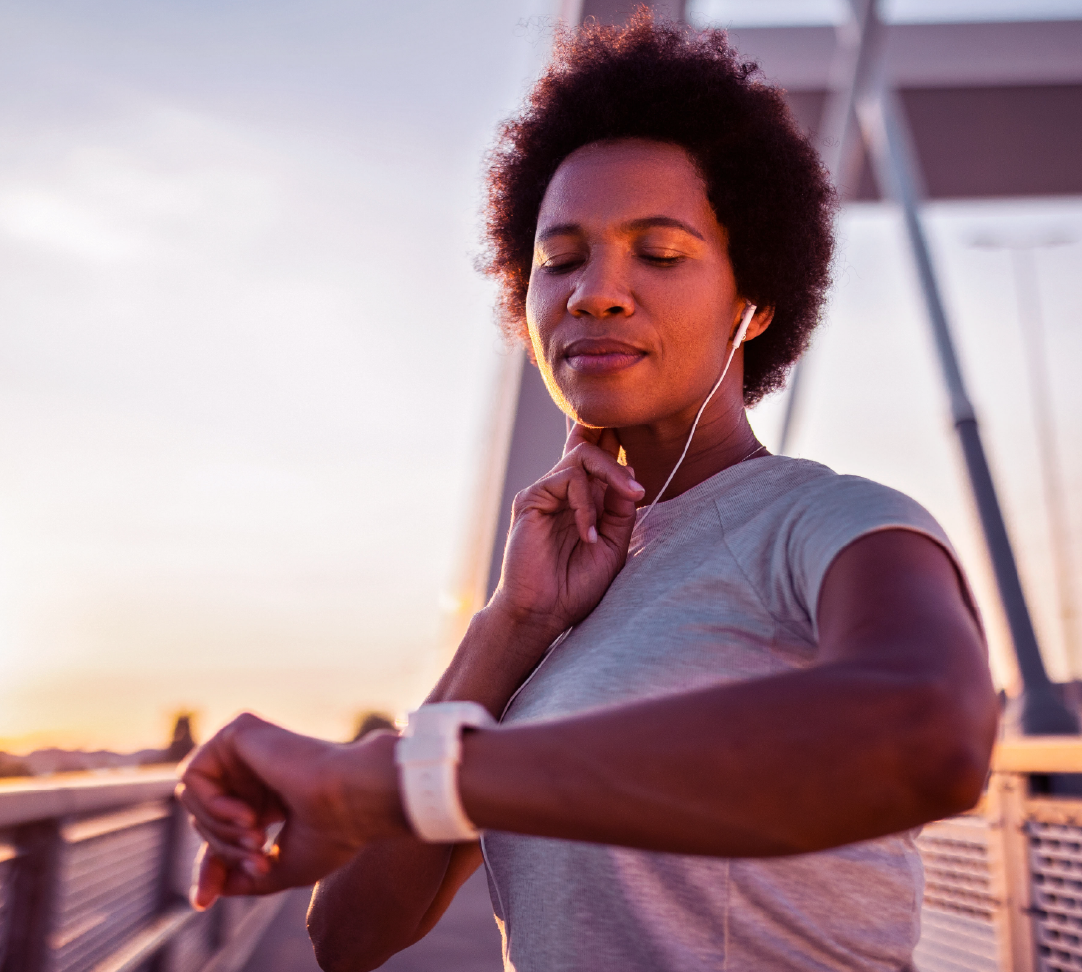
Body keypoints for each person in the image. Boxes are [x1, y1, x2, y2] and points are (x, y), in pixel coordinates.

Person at [178, 13, 997, 972]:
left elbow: (932, 733)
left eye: (659, 253)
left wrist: (402, 781)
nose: (593, 293)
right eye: (559, 260)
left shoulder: (831, 520)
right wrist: (513, 624)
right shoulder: (566, 593)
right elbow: (351, 935)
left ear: (755, 302)